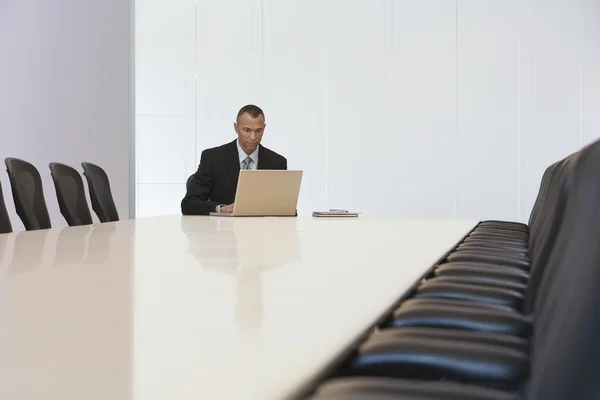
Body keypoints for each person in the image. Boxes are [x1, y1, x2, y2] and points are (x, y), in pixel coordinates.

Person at [181, 104, 287, 215]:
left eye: (258, 131)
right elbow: (189, 204)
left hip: (262, 230)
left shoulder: (277, 162)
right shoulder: (213, 158)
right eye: (247, 130)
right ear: (236, 128)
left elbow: (283, 207)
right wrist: (222, 209)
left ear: (264, 128)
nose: (253, 137)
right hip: (223, 230)